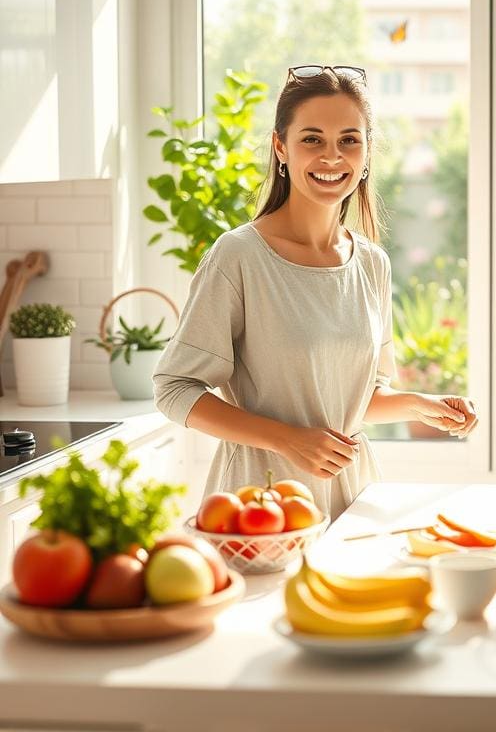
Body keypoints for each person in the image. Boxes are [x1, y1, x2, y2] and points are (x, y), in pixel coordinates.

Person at [153, 65, 479, 519]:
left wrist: (419, 405)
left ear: (367, 155)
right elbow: (174, 389)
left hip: (352, 494)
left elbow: (349, 399)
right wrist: (286, 439)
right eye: (312, 139)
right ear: (281, 147)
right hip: (263, 503)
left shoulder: (370, 263)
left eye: (349, 140)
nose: (332, 157)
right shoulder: (239, 256)